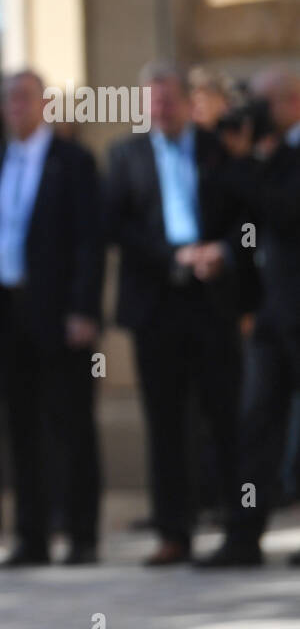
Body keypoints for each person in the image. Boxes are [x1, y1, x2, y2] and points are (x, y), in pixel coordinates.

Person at [103, 61, 246, 566]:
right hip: (156, 305)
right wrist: (173, 256)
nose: (160, 108)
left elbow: (245, 214)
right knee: (165, 425)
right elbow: (117, 227)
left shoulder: (216, 150)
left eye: (168, 99)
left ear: (187, 102)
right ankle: (174, 533)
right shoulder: (125, 156)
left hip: (211, 302)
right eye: (152, 101)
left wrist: (222, 252)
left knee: (224, 416)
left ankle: (238, 529)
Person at [0, 70, 104, 566]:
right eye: (7, 100)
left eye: (24, 99)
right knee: (19, 427)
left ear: (44, 103)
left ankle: (82, 536)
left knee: (70, 424)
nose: (15, 108)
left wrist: (84, 309)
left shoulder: (74, 161)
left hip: (60, 313)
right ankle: (32, 537)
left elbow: (91, 242)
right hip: (7, 311)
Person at [199, 65, 300, 566]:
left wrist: (249, 162)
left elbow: (285, 210)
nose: (253, 115)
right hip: (269, 316)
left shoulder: (285, 159)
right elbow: (234, 215)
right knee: (256, 427)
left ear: (292, 102)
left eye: (261, 104)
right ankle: (244, 537)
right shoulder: (261, 158)